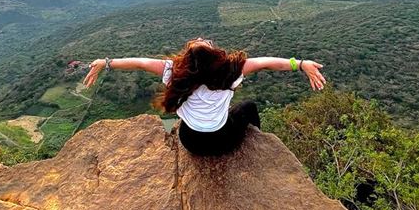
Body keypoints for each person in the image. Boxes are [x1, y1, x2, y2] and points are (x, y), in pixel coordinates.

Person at [81, 37, 327, 156]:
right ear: (217, 55)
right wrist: (301, 64)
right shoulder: (231, 71)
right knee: (249, 107)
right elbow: (268, 63)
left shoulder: (173, 72)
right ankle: (256, 145)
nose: (202, 38)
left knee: (189, 123)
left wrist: (106, 63)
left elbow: (140, 63)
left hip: (191, 142)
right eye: (204, 41)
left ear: (187, 58)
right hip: (223, 142)